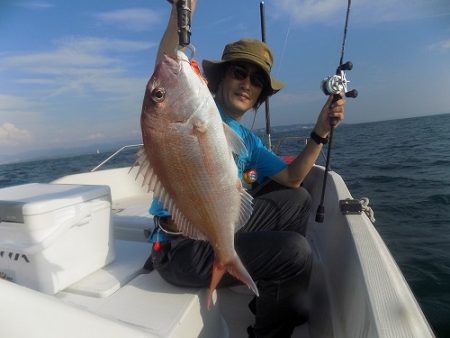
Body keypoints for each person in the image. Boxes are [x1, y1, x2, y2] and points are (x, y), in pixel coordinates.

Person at [146, 1, 346, 337]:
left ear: (260, 95)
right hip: (181, 249)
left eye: (256, 80)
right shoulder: (195, 110)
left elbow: (293, 177)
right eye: (239, 72)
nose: (247, 84)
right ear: (219, 78)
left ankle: (271, 288)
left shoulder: (247, 140)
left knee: (297, 197)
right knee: (296, 252)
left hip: (215, 228)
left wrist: (320, 131)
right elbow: (165, 69)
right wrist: (182, 12)